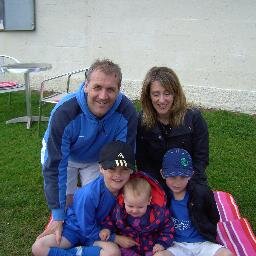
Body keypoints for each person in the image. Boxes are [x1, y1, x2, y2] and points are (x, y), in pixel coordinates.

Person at [40, 59, 138, 242]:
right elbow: (55, 165)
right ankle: (59, 222)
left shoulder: (127, 112)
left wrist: (131, 207)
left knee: (99, 200)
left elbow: (124, 158)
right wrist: (58, 213)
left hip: (96, 158)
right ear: (86, 86)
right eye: (97, 87)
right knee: (68, 202)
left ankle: (92, 231)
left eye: (110, 89)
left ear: (119, 90)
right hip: (65, 157)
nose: (103, 95)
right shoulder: (65, 112)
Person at [32, 141, 135, 256]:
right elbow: (85, 227)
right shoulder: (90, 193)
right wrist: (115, 238)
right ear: (101, 168)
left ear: (131, 170)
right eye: (112, 168)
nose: (118, 174)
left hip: (98, 231)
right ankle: (78, 251)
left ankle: (75, 251)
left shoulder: (128, 188)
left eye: (124, 169)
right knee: (38, 247)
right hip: (74, 228)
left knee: (113, 252)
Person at [136, 66, 209, 190]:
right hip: (156, 182)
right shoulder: (141, 121)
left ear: (175, 94)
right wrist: (157, 188)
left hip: (188, 180)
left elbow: (200, 158)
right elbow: (143, 163)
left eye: (167, 93)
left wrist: (186, 184)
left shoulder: (194, 118)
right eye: (156, 94)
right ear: (148, 96)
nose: (162, 100)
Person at [161, 148, 234, 256]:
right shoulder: (162, 196)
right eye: (172, 176)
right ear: (163, 174)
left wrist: (208, 232)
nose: (177, 182)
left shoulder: (201, 193)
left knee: (226, 254)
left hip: (203, 243)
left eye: (183, 177)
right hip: (176, 244)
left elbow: (214, 216)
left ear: (191, 174)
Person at [99, 174, 174, 256]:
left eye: (140, 207)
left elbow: (168, 228)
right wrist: (107, 229)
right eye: (130, 206)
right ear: (124, 199)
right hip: (127, 247)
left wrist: (162, 243)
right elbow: (109, 220)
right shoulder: (118, 211)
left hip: (151, 247)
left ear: (149, 200)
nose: (134, 210)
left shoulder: (159, 213)